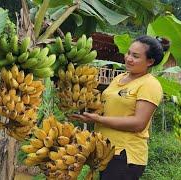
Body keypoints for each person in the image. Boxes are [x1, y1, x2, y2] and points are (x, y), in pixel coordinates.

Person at [70, 35, 170, 180]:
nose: (128, 58)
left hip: (125, 156)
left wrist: (99, 119)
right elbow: (109, 108)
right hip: (105, 151)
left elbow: (139, 123)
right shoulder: (119, 78)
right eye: (128, 53)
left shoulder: (149, 84)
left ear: (150, 61)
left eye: (135, 56)